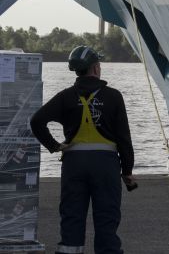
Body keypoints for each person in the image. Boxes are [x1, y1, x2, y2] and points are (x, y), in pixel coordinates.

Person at [31, 46, 134, 254]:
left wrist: (54, 145)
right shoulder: (113, 96)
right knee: (107, 216)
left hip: (73, 164)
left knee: (72, 216)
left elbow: (36, 121)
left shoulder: (65, 97)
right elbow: (124, 138)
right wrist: (127, 171)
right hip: (105, 165)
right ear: (95, 68)